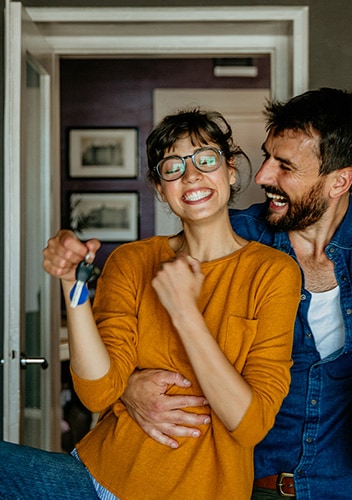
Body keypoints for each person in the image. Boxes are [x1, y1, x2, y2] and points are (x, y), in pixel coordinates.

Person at [122, 88, 352, 499]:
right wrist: (127, 385)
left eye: (284, 166)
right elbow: (132, 321)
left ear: (339, 180)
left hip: (349, 489)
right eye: (267, 157)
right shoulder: (230, 236)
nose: (264, 176)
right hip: (239, 485)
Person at [0, 109, 302, 500]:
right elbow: (97, 392)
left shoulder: (273, 272)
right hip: (97, 479)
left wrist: (185, 313)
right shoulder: (131, 261)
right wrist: (71, 285)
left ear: (230, 169)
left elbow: (249, 423)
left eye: (205, 160)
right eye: (172, 167)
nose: (191, 176)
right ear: (161, 189)